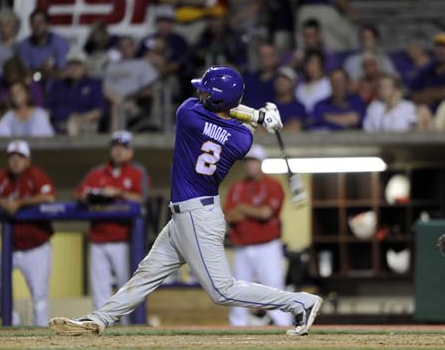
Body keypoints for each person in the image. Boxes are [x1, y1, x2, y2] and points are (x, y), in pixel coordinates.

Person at [49, 65, 323, 336]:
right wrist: (260, 117)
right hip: (190, 215)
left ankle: (299, 302)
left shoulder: (188, 114)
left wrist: (257, 114)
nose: (201, 94)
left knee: (221, 291)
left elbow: (214, 109)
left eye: (207, 91)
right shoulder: (242, 139)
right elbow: (227, 114)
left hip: (197, 216)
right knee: (147, 272)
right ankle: (99, 319)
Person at [0, 140, 56, 326]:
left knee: (39, 297)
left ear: (27, 160)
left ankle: (43, 340)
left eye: (20, 157)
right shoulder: (2, 177)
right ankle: (11, 319)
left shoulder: (35, 175)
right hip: (10, 247)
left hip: (37, 248)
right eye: (12, 156)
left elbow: (49, 196)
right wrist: (1, 202)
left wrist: (20, 203)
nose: (16, 161)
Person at [74, 131, 148, 318]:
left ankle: (127, 329)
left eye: (123, 147)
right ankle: (100, 325)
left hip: (123, 240)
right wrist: (91, 194)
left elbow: (141, 198)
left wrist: (117, 192)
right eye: (115, 147)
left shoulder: (137, 173)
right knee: (99, 290)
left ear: (130, 152)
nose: (118, 151)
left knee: (126, 287)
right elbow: (78, 193)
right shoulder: (97, 173)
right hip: (97, 238)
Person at [225, 144, 293, 327]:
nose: (250, 165)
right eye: (247, 162)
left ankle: (284, 325)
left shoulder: (272, 185)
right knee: (237, 291)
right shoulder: (236, 187)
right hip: (242, 246)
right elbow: (228, 215)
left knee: (274, 287)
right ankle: (236, 326)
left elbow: (266, 213)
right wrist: (250, 212)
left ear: (261, 163)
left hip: (267, 246)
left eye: (254, 161)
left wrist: (242, 209)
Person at [103, 36, 160, 132]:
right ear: (119, 50)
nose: (126, 49)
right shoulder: (111, 66)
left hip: (133, 102)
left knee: (116, 106)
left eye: (129, 46)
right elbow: (105, 88)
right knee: (104, 90)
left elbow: (149, 90)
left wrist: (130, 97)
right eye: (123, 46)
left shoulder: (143, 64)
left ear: (134, 47)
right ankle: (119, 102)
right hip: (111, 101)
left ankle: (115, 138)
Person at [45, 49, 104, 135]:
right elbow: (48, 109)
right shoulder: (58, 85)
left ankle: (70, 148)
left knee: (73, 122)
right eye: (71, 65)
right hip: (58, 124)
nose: (74, 68)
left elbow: (98, 111)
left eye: (78, 65)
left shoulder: (93, 84)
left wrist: (80, 118)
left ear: (84, 67)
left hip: (85, 123)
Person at [363, 75, 431, 132]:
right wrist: (391, 107)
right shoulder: (374, 107)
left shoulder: (408, 105)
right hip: (382, 144)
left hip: (407, 141)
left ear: (396, 89)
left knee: (423, 109)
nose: (383, 89)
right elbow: (380, 129)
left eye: (387, 86)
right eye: (380, 87)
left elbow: (412, 126)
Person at [16, 8, 70, 76]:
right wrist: (40, 70)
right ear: (30, 25)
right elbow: (25, 72)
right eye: (34, 23)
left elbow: (63, 71)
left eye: (40, 22)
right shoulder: (24, 45)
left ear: (48, 24)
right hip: (33, 83)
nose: (37, 26)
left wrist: (48, 72)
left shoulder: (60, 43)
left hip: (56, 82)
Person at [410, 33, 445, 108]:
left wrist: (429, 93)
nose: (440, 50)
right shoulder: (427, 70)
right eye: (438, 46)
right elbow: (414, 96)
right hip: (428, 114)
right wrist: (439, 93)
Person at [241, 42, 278, 109]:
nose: (265, 59)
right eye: (262, 56)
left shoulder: (281, 82)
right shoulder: (248, 80)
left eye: (268, 55)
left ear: (275, 57)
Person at [273, 66, 306, 131]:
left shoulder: (299, 108)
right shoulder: (267, 106)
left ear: (293, 83)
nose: (280, 82)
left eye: (285, 79)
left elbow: (294, 127)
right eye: (278, 79)